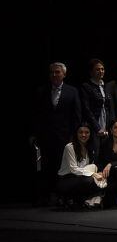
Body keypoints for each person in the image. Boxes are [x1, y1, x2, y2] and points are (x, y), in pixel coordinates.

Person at [36, 62, 83, 205]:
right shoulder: (41, 91)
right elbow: (36, 115)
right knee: (46, 167)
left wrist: (73, 136)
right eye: (52, 72)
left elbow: (77, 114)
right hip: (46, 136)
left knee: (63, 167)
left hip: (65, 136)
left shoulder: (72, 91)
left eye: (57, 72)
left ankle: (62, 195)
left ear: (64, 74)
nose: (54, 75)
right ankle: (46, 196)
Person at [56, 123, 104, 209]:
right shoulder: (69, 147)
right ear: (76, 134)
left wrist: (99, 173)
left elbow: (90, 166)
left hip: (80, 178)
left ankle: (84, 199)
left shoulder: (89, 148)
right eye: (80, 132)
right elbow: (74, 169)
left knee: (102, 180)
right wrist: (93, 174)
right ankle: (71, 198)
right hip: (67, 180)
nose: (84, 135)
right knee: (89, 180)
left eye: (87, 132)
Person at [80, 59, 113, 140]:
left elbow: (109, 107)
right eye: (97, 69)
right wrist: (97, 128)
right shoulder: (86, 86)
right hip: (93, 126)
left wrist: (111, 126)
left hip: (106, 126)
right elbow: (86, 109)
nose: (101, 71)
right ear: (91, 72)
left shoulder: (106, 86)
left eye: (102, 69)